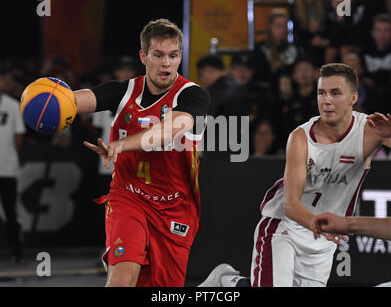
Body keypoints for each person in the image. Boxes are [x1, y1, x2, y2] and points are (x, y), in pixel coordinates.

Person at [199, 63, 391, 287]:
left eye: (335, 93)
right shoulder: (300, 138)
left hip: (322, 241)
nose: (326, 100)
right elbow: (291, 204)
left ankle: (229, 281)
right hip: (286, 226)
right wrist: (316, 223)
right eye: (322, 93)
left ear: (353, 98)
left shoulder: (371, 131)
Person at [72, 18, 210, 287]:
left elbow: (168, 131)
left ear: (180, 56)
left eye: (173, 55)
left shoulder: (193, 96)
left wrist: (120, 145)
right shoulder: (121, 92)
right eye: (158, 55)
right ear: (144, 56)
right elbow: (78, 100)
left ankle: (218, 282)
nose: (166, 63)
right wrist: (50, 97)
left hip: (174, 209)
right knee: (122, 278)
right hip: (129, 198)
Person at [0, 69, 26, 263]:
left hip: (8, 167)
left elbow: (19, 135)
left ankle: (16, 252)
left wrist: (9, 155)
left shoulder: (13, 105)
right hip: (7, 164)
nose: (7, 82)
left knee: (11, 211)